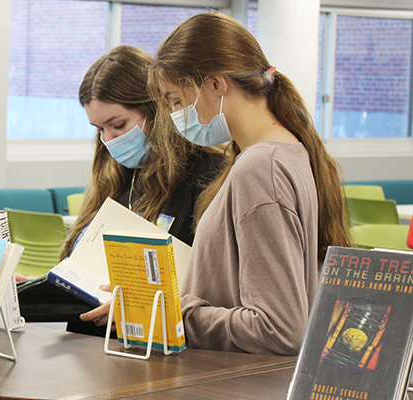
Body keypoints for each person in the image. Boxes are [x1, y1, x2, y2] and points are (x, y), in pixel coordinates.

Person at [151, 13, 351, 355]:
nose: (176, 116)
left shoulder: (261, 169)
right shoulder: (283, 153)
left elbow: (279, 330)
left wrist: (173, 314)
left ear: (215, 85)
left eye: (177, 101)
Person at [63, 45, 224, 332]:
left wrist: (143, 304)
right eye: (99, 129)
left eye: (118, 125)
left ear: (156, 109)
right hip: (98, 345)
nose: (109, 140)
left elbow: (215, 286)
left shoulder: (209, 175)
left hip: (169, 352)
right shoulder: (120, 177)